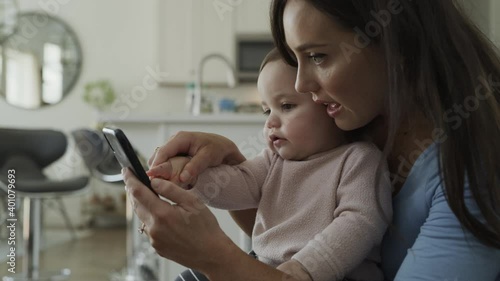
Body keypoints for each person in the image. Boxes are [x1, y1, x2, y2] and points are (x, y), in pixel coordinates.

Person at [123, 1, 500, 280]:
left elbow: (333, 243)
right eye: (296, 59)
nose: (301, 84)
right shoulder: (353, 129)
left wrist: (214, 258)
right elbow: (298, 228)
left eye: (318, 55)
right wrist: (196, 176)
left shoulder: (473, 176)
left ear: (398, 46)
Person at [152, 48, 392, 281]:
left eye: (286, 106)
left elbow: (361, 221)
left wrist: (303, 269)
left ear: (327, 104)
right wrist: (187, 174)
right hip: (265, 267)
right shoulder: (274, 159)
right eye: (267, 111)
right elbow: (236, 183)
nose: (271, 122)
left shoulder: (359, 159)